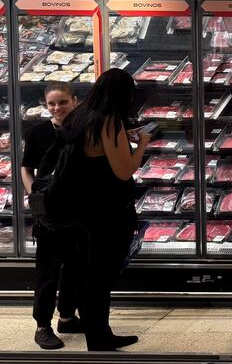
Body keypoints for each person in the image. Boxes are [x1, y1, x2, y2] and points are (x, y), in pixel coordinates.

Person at [64, 68, 149, 351]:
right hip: (108, 211)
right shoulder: (109, 121)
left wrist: (124, 137)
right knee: (102, 276)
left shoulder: (80, 117)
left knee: (91, 273)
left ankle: (98, 331)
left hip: (83, 208)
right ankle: (99, 336)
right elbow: (125, 170)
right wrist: (141, 146)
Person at [21, 82, 84, 350]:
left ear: (75, 101)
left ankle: (67, 317)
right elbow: (27, 168)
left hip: (77, 210)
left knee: (75, 267)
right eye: (52, 104)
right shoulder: (38, 132)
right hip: (48, 213)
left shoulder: (83, 130)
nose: (57, 108)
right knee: (47, 271)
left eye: (63, 102)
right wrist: (36, 198)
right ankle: (43, 325)